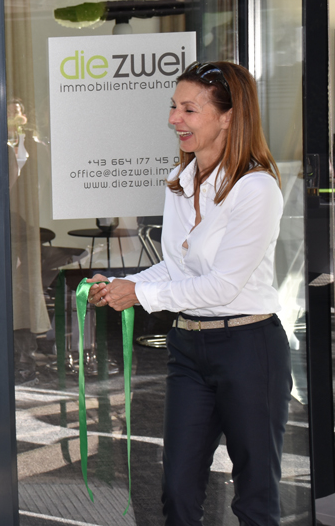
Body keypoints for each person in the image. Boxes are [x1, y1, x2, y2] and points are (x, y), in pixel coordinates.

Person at [87, 61, 290, 526]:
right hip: (188, 348)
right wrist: (124, 285)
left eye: (189, 109)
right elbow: (177, 267)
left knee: (255, 497)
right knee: (177, 490)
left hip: (248, 349)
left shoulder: (256, 188)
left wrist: (141, 295)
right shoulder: (181, 181)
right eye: (173, 107)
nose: (174, 119)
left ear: (229, 116)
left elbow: (222, 285)